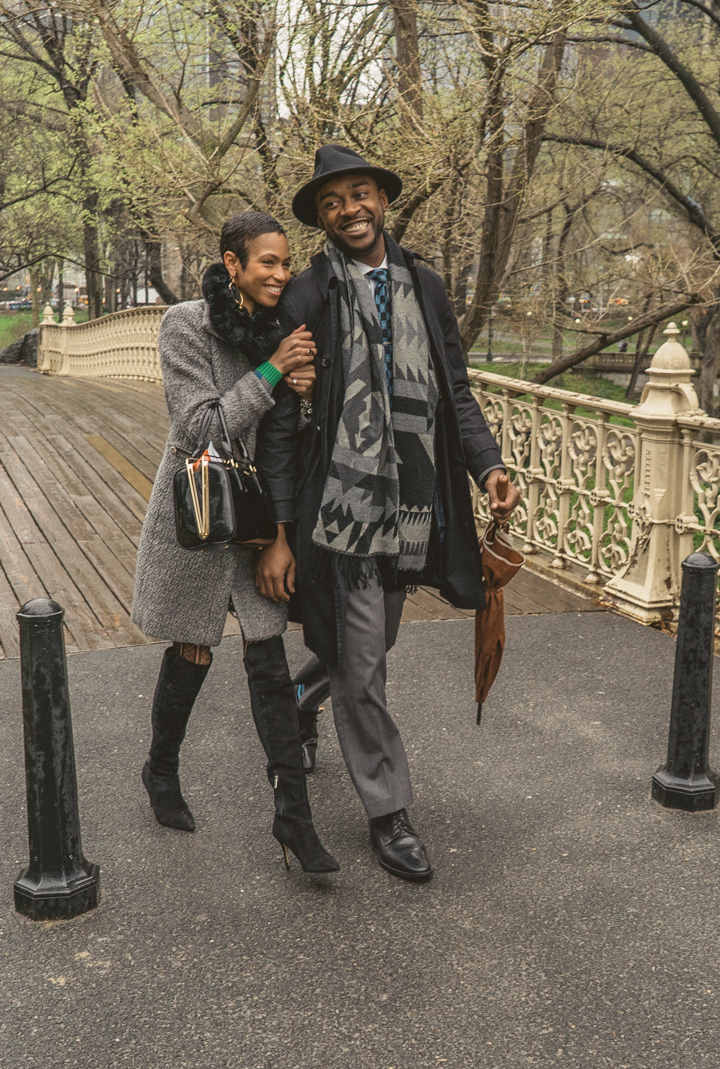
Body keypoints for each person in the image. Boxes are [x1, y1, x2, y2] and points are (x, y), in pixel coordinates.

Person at [259, 145, 521, 882]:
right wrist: (280, 529)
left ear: (381, 199)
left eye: (360, 193)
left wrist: (490, 465)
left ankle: (304, 696)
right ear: (322, 216)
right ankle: (388, 808)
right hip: (339, 510)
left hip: (414, 504)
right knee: (366, 663)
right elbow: (281, 418)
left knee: (366, 650)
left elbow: (456, 390)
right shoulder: (307, 293)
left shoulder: (426, 286)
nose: (350, 209)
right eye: (334, 201)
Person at [129, 210, 336, 873]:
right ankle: (160, 769)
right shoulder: (185, 324)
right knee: (192, 647)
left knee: (268, 655)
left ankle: (293, 817)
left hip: (258, 520)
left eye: (286, 262)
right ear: (232, 263)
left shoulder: (284, 329)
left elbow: (292, 436)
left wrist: (302, 393)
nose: (281, 273)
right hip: (198, 515)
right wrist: (275, 373)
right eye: (268, 262)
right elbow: (200, 429)